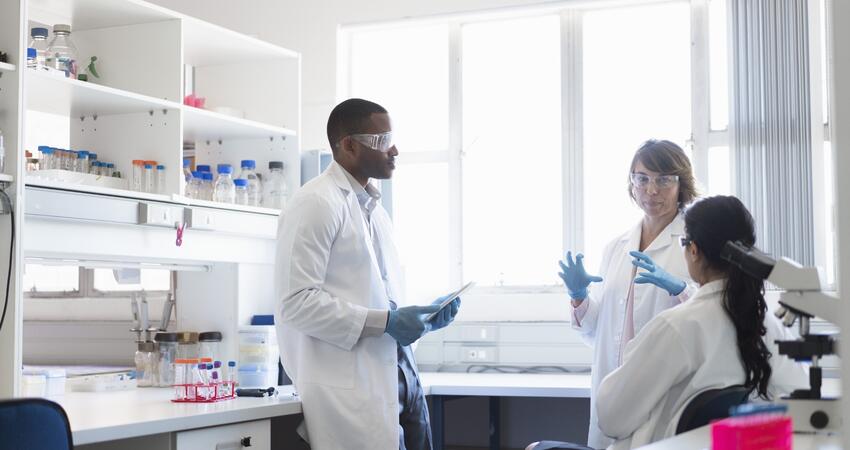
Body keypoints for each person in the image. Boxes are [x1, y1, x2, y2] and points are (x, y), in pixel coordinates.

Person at [274, 98, 461, 450]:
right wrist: (387, 322)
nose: (394, 149)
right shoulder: (315, 203)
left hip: (401, 376)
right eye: (381, 140)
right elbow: (295, 304)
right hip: (352, 389)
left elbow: (379, 297)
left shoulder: (374, 210)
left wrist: (422, 319)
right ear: (348, 145)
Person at [594, 195, 808, 449]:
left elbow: (611, 418)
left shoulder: (676, 327)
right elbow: (798, 397)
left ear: (693, 250)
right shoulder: (769, 324)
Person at [558, 139, 698, 449]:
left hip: (664, 389)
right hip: (614, 386)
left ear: (681, 184)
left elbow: (711, 316)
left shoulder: (694, 241)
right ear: (631, 184)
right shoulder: (616, 248)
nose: (652, 190)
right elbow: (601, 333)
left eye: (664, 180)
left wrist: (681, 290)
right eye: (642, 178)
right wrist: (579, 297)